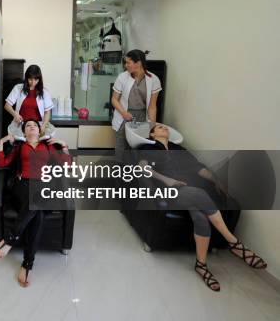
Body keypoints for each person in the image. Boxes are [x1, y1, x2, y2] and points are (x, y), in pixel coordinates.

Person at [139, 124, 267, 292]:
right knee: (199, 194)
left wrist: (216, 180)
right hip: (168, 191)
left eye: (166, 128)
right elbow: (141, 167)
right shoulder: (148, 148)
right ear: (152, 134)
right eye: (160, 127)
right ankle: (234, 243)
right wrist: (167, 180)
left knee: (200, 215)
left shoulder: (179, 149)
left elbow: (198, 168)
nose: (165, 129)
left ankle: (201, 265)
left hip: (189, 191)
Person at [0, 120, 71, 287]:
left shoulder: (48, 146)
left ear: (40, 130)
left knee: (39, 211)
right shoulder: (19, 147)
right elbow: (2, 164)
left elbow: (67, 165)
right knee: (38, 207)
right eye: (28, 126)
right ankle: (27, 265)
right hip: (23, 186)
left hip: (43, 186)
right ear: (24, 132)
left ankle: (11, 241)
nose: (32, 127)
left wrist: (63, 145)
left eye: (35, 125)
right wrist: (1, 143)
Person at [111, 49, 162, 161]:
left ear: (138, 63)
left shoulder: (153, 80)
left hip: (142, 117)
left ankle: (135, 176)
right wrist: (124, 113)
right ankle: (118, 174)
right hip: (124, 114)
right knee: (120, 149)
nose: (126, 65)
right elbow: (114, 99)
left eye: (128, 62)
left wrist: (152, 127)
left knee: (138, 151)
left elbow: (152, 106)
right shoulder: (122, 77)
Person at [4, 65, 54, 139]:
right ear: (26, 78)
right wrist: (15, 115)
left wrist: (43, 126)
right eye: (30, 79)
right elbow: (7, 105)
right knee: (22, 146)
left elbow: (47, 112)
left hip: (37, 126)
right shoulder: (18, 88)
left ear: (39, 79)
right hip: (21, 125)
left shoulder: (44, 92)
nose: (33, 82)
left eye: (36, 80)